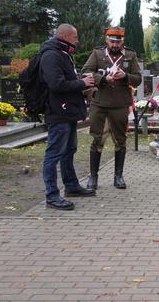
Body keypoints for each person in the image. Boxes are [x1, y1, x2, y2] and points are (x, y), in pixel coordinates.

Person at [40, 24, 96, 210]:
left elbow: (66, 83)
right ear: (64, 36)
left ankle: (71, 186)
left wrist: (83, 88)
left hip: (68, 111)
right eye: (75, 37)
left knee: (69, 150)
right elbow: (56, 84)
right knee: (54, 153)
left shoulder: (63, 54)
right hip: (58, 113)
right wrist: (81, 83)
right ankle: (51, 195)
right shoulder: (51, 55)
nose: (77, 41)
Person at [82, 27, 142, 190]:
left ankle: (118, 176)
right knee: (97, 139)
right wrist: (102, 79)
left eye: (118, 41)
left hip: (120, 105)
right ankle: (93, 177)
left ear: (122, 41)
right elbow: (86, 72)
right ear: (106, 40)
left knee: (120, 140)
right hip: (100, 104)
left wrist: (125, 76)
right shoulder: (97, 54)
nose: (115, 44)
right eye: (112, 41)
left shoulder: (130, 55)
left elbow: (138, 79)